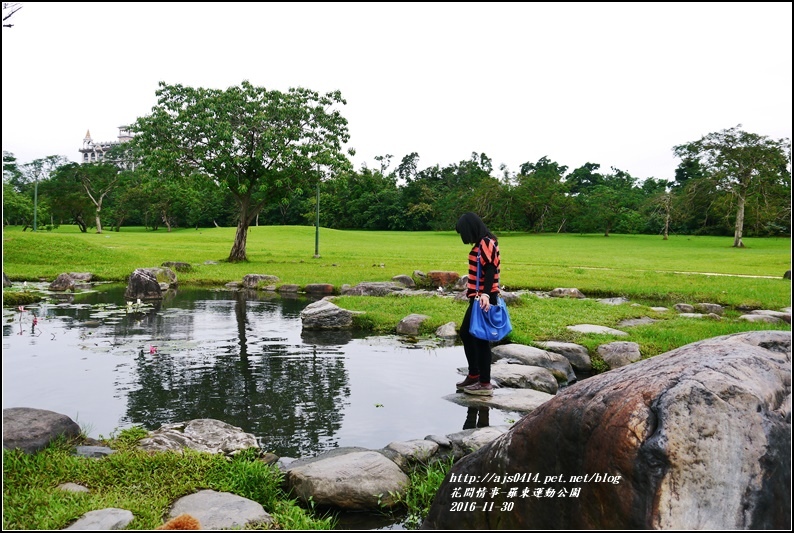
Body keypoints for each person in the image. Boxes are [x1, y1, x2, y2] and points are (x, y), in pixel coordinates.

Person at [454, 212, 501, 396]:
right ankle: (474, 374)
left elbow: (490, 270)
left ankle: (484, 383)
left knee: (481, 339)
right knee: (467, 333)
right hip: (478, 297)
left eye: (462, 233)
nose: (462, 237)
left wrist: (487, 295)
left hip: (484, 298)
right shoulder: (481, 243)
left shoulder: (486, 243)